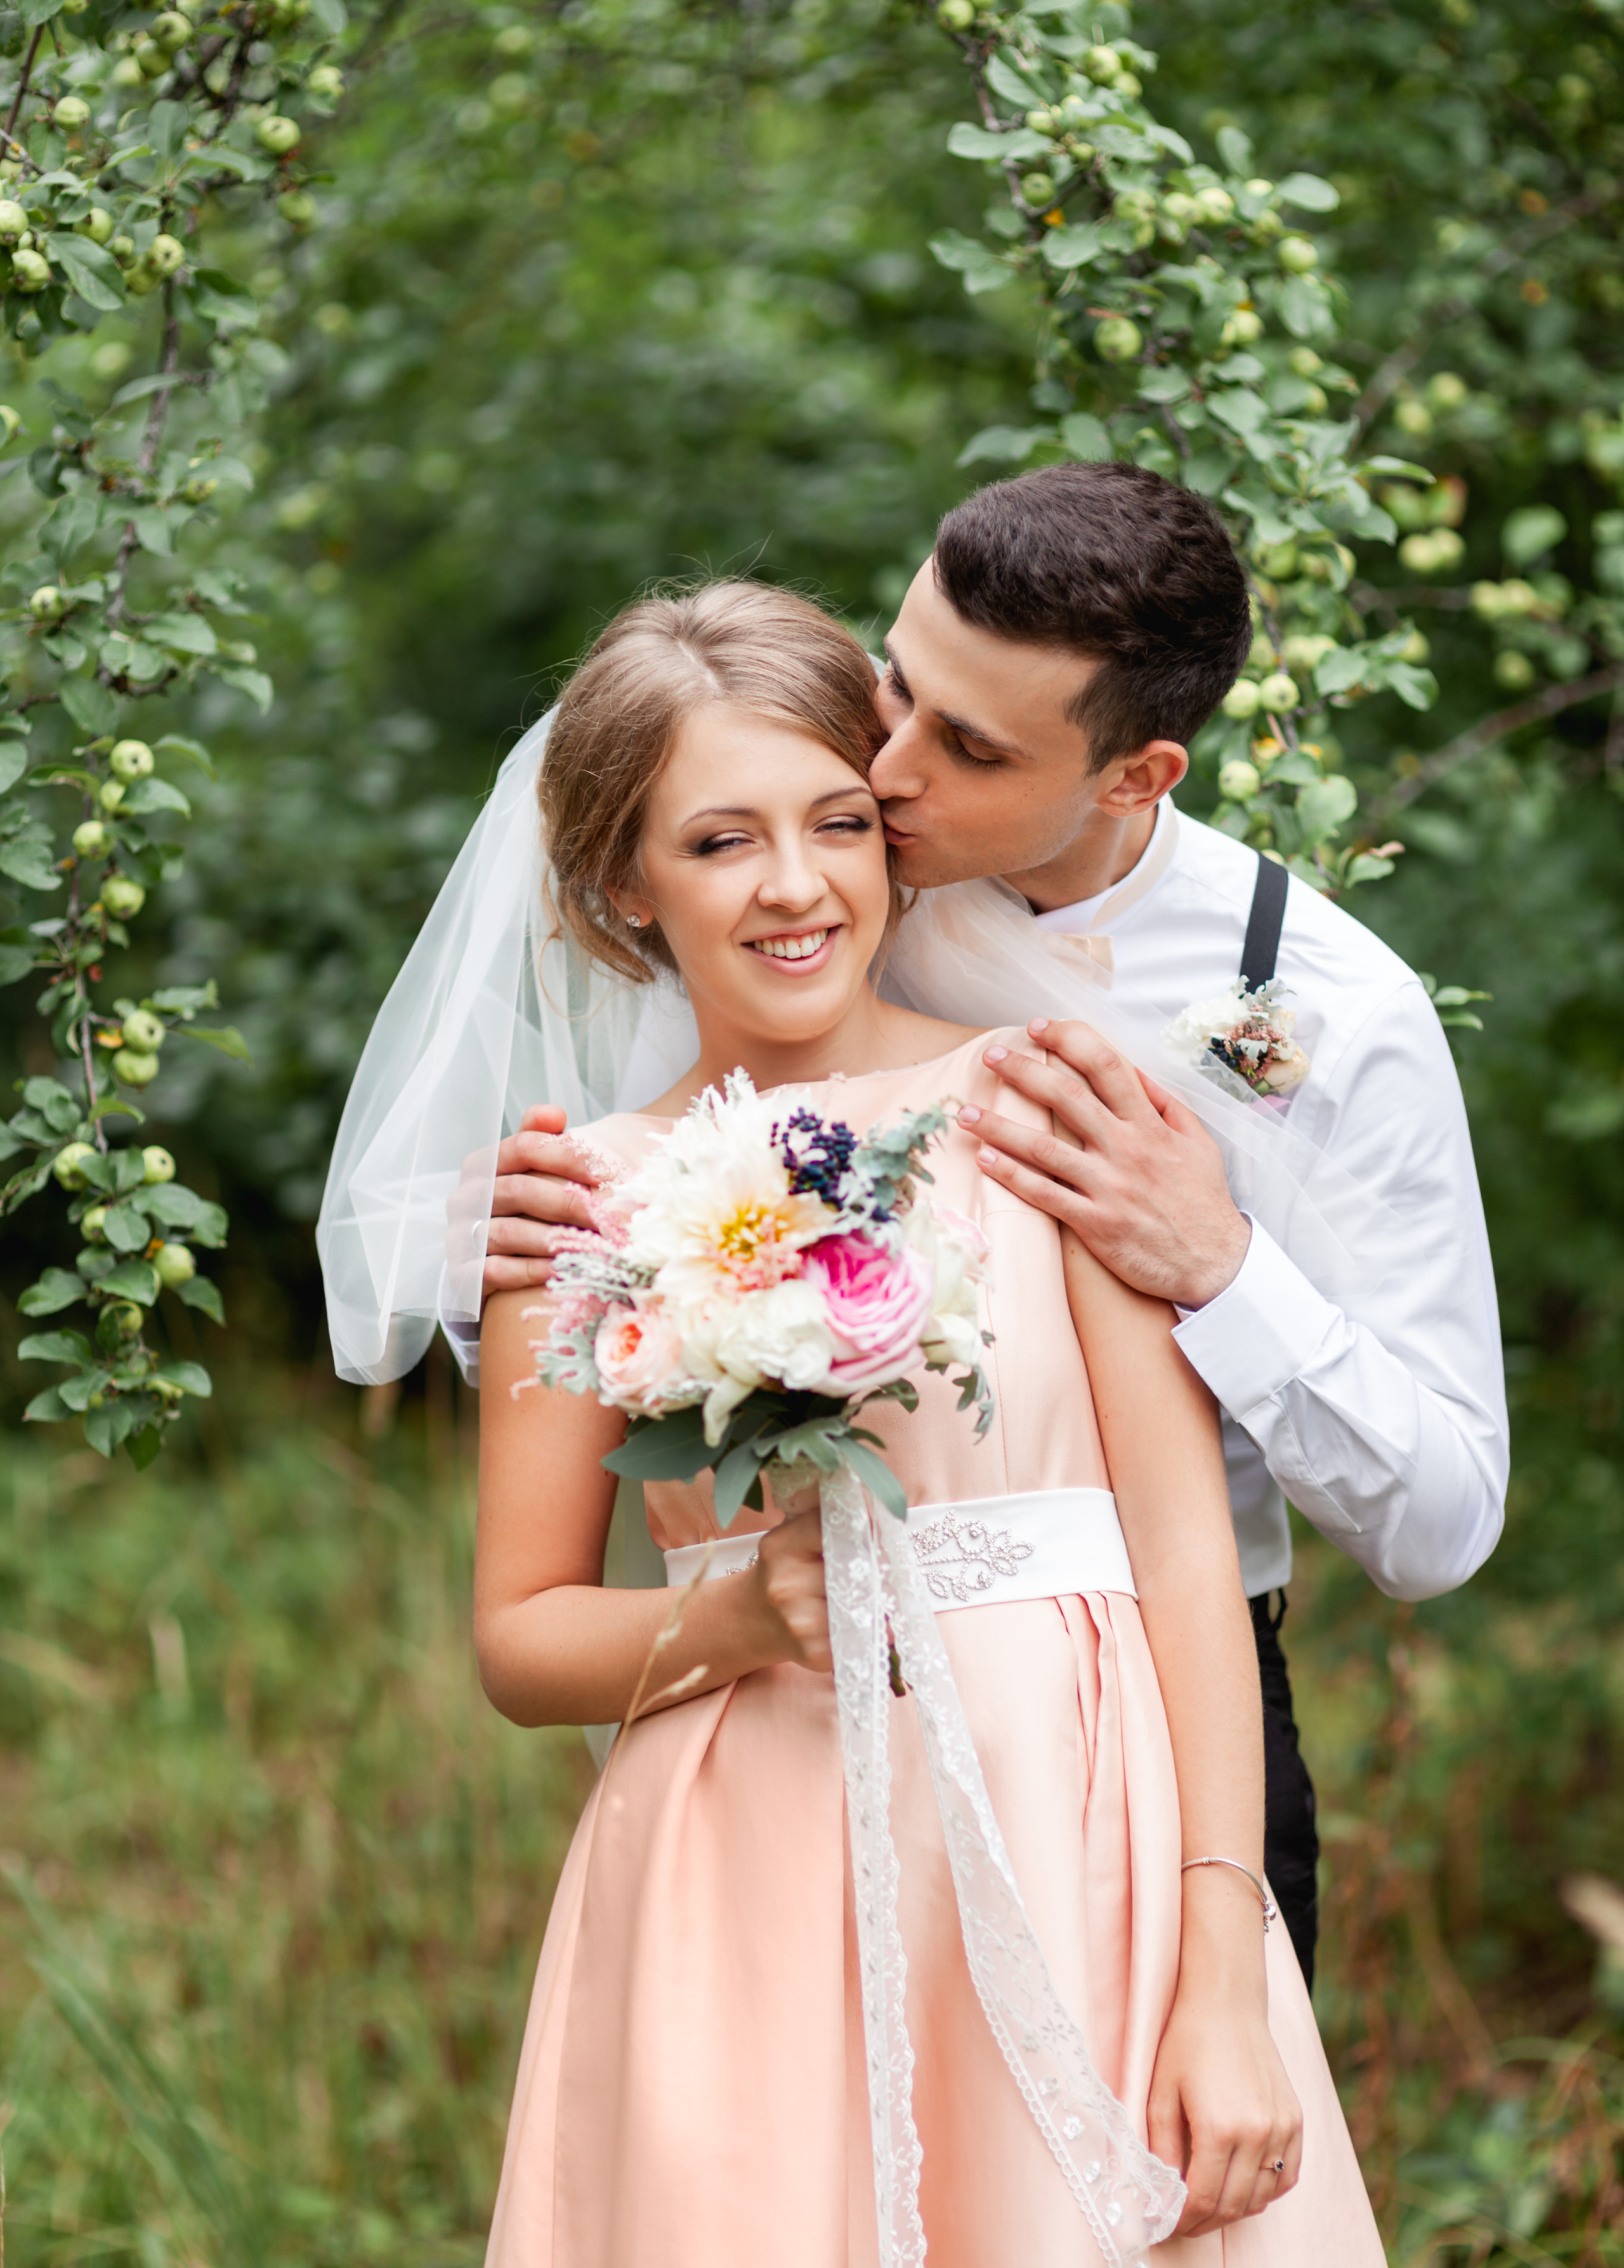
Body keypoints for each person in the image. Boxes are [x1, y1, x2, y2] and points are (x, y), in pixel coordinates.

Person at [459, 580, 1424, 2268]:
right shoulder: (579, 1206)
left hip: (1085, 1848)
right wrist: (727, 1621)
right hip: (740, 1877)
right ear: (619, 888)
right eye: (717, 840)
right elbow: (520, 1634)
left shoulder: (1047, 1105)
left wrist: (1223, 1966)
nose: (794, 884)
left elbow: (1180, 1553)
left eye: (837, 819)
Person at [442, 463, 1508, 1992]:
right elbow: (668, 1086)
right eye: (894, 684)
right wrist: (514, 1222)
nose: (883, 771)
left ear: (1132, 777)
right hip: (786, 1732)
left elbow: (1440, 1523)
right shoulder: (838, 862)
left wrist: (1216, 1268)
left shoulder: (1333, 1020)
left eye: (964, 747)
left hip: (1149, 1703)